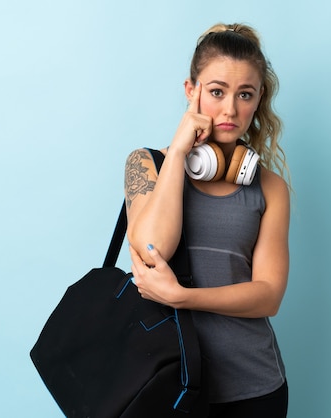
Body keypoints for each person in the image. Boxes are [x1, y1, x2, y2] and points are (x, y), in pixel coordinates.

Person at [124, 22, 290, 418]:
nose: (230, 109)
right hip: (166, 388)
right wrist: (179, 154)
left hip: (254, 389)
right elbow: (152, 250)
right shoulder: (146, 165)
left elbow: (269, 295)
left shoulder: (270, 187)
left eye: (244, 94)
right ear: (191, 91)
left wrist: (183, 297)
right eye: (216, 92)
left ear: (258, 99)